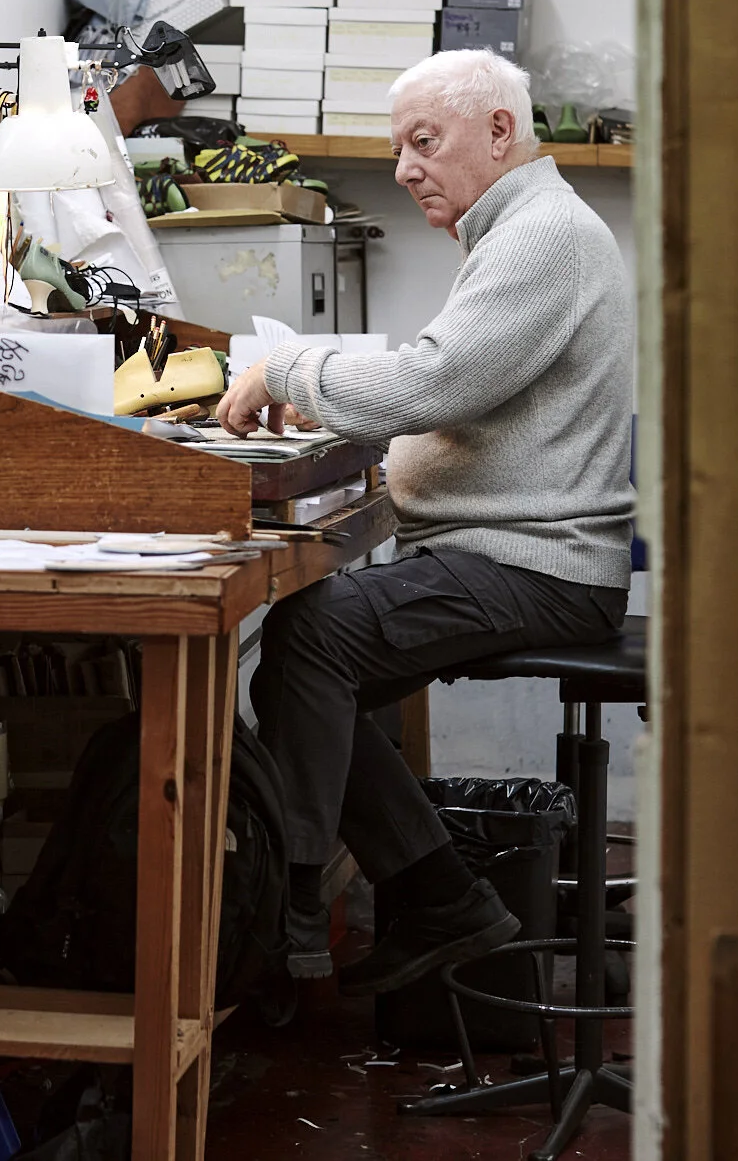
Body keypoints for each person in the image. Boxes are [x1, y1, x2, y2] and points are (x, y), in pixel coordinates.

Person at [215, 49, 634, 996]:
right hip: (515, 554)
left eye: (423, 141)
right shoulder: (518, 229)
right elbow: (453, 380)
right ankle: (439, 895)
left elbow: (433, 380)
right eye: (398, 146)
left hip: (542, 567)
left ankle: (297, 923)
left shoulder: (541, 237)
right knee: (308, 659)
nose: (405, 168)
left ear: (498, 132)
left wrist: (289, 373)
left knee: (314, 636)